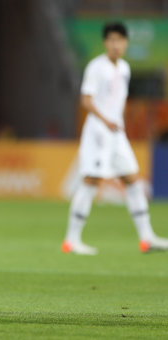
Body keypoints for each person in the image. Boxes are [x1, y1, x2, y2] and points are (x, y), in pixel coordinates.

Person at [62, 22, 168, 255]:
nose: (116, 44)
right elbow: (86, 100)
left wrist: (118, 120)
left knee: (132, 179)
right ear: (105, 42)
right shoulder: (96, 67)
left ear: (126, 43)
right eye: (111, 40)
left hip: (117, 133)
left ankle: (147, 237)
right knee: (91, 180)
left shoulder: (125, 68)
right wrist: (105, 119)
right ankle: (71, 240)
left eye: (120, 40)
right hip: (99, 131)